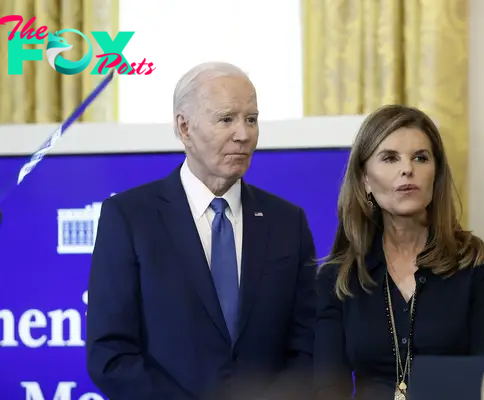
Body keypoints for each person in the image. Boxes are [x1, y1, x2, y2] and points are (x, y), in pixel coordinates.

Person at [86, 61, 317, 400]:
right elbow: (110, 353)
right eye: (226, 119)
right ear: (184, 127)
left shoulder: (287, 222)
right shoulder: (130, 217)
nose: (243, 134)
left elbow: (308, 344)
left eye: (251, 119)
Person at [313, 105, 484, 400]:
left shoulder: (480, 264)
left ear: (436, 175)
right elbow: (327, 389)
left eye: (420, 157)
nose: (408, 169)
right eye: (390, 158)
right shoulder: (338, 277)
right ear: (365, 179)